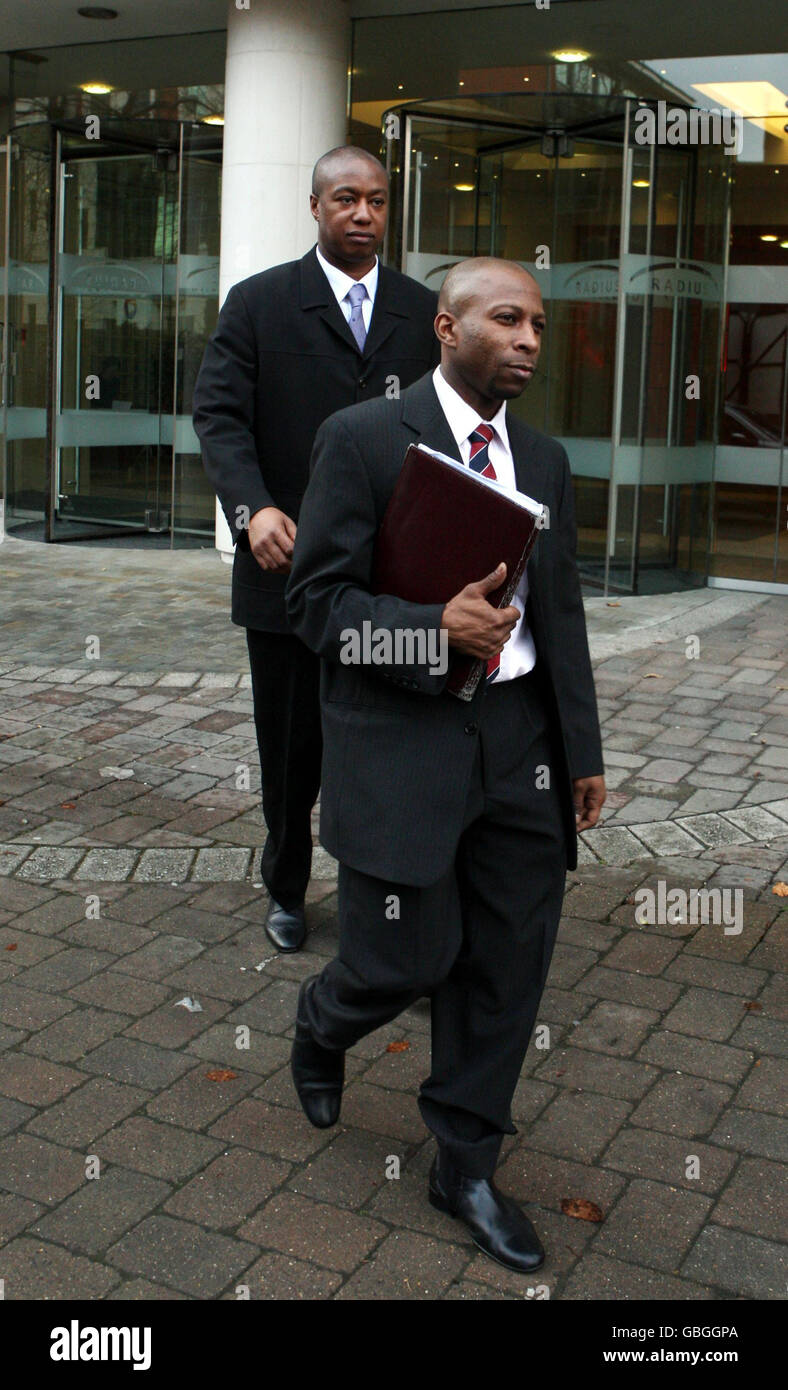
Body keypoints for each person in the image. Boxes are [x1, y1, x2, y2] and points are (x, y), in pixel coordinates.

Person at [285, 257, 606, 1273]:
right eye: (505, 319)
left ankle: (462, 1162)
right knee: (401, 959)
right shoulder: (362, 440)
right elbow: (315, 610)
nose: (525, 340)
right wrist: (430, 630)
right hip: (400, 742)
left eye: (538, 326)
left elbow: (557, 617)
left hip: (520, 749)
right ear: (445, 326)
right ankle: (321, 1021)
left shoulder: (544, 462)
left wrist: (581, 750)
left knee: (506, 965)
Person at [192, 146, 439, 953]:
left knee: (385, 751)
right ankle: (287, 889)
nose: (362, 214)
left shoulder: (423, 309)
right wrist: (250, 508)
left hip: (392, 582)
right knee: (292, 750)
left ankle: (384, 903)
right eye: (345, 199)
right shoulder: (260, 303)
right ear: (315, 207)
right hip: (286, 571)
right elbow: (220, 416)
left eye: (375, 201)